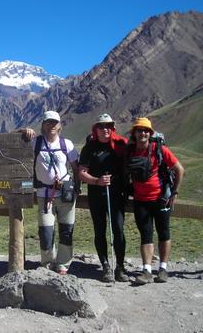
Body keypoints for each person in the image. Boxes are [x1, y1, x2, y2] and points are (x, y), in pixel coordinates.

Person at [19, 110, 80, 275]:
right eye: (48, 122)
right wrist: (23, 131)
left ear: (59, 125)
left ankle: (63, 264)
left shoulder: (66, 144)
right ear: (43, 125)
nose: (52, 125)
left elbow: (76, 168)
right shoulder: (36, 143)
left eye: (55, 122)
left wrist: (76, 188)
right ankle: (47, 262)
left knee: (67, 230)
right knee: (46, 231)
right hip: (44, 194)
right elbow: (12, 141)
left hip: (66, 194)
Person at [126, 117, 184, 285]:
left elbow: (179, 169)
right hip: (140, 201)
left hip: (161, 199)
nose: (142, 133)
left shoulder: (159, 149)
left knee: (164, 233)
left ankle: (163, 269)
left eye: (145, 130)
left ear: (149, 133)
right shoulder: (130, 151)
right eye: (139, 130)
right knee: (146, 235)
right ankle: (146, 271)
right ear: (134, 133)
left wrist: (175, 192)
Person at [78, 113, 129, 282]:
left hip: (117, 195)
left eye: (108, 126)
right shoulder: (89, 147)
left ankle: (120, 267)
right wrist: (97, 181)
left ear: (112, 128)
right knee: (100, 230)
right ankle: (106, 265)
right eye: (101, 126)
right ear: (96, 129)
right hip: (97, 195)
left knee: (118, 230)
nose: (105, 129)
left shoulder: (121, 144)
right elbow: (81, 173)